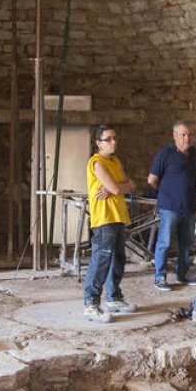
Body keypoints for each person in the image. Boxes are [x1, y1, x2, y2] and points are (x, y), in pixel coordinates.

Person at [82, 124, 138, 323]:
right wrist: (115, 188)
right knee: (101, 261)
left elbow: (131, 185)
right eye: (108, 139)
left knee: (118, 259)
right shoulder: (97, 162)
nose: (113, 142)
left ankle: (114, 298)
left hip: (118, 216)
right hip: (104, 218)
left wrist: (116, 187)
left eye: (114, 138)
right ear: (98, 143)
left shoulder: (115, 161)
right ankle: (91, 303)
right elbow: (116, 188)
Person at [148, 121, 196, 291]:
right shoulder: (165, 153)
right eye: (183, 135)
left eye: (189, 135)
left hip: (189, 206)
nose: (187, 138)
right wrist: (167, 192)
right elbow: (152, 180)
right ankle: (160, 278)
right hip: (170, 207)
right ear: (175, 136)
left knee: (186, 242)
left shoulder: (193, 153)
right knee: (164, 242)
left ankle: (182, 274)